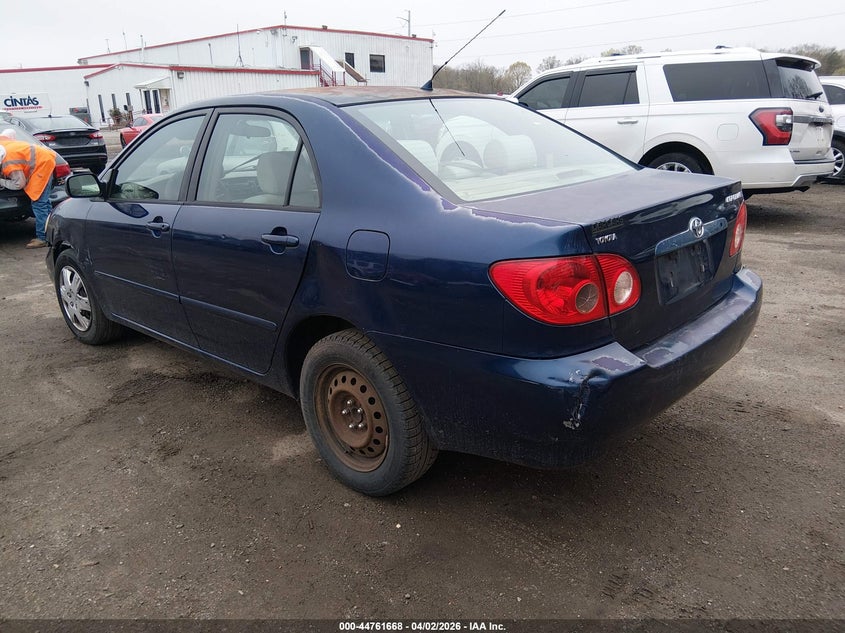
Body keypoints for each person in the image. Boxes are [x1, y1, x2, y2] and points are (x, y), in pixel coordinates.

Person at [0, 129, 57, 249]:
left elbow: (18, 184)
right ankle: (54, 231)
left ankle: (43, 238)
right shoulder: (3, 146)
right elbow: (9, 132)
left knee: (39, 203)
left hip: (43, 164)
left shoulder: (9, 163)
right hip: (45, 159)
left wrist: (1, 181)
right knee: (44, 202)